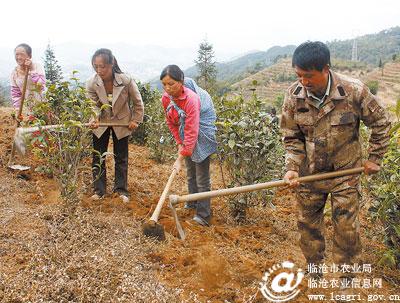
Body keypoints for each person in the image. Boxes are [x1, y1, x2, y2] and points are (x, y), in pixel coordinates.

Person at [280, 41, 390, 290]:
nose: (304, 82)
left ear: (326, 69)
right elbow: (291, 137)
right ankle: (315, 274)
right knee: (307, 229)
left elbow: (382, 122)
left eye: (309, 76)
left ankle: (347, 281)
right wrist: (292, 167)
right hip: (309, 175)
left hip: (345, 174)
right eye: (299, 76)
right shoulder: (293, 95)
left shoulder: (354, 91)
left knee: (346, 231)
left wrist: (375, 158)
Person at [160, 65, 217, 226]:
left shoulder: (191, 99)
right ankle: (192, 202)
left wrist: (180, 156)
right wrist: (179, 143)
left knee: (202, 177)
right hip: (187, 135)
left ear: (181, 81)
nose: (167, 88)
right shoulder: (166, 99)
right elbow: (171, 123)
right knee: (191, 173)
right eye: (164, 84)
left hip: (202, 132)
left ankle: (203, 215)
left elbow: (192, 131)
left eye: (171, 84)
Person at [87, 48, 144, 203]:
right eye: (96, 66)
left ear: (111, 64)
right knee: (98, 157)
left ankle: (121, 190)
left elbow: (138, 103)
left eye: (103, 66)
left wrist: (135, 120)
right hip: (101, 122)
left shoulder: (125, 81)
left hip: (122, 122)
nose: (99, 70)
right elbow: (92, 105)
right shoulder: (92, 83)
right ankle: (99, 191)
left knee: (121, 157)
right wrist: (94, 118)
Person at [10, 43, 46, 120]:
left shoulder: (37, 66)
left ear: (29, 56)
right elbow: (16, 94)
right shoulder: (14, 73)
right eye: (16, 54)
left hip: (43, 105)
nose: (19, 57)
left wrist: (31, 69)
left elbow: (41, 84)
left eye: (22, 54)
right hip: (29, 109)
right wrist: (18, 110)